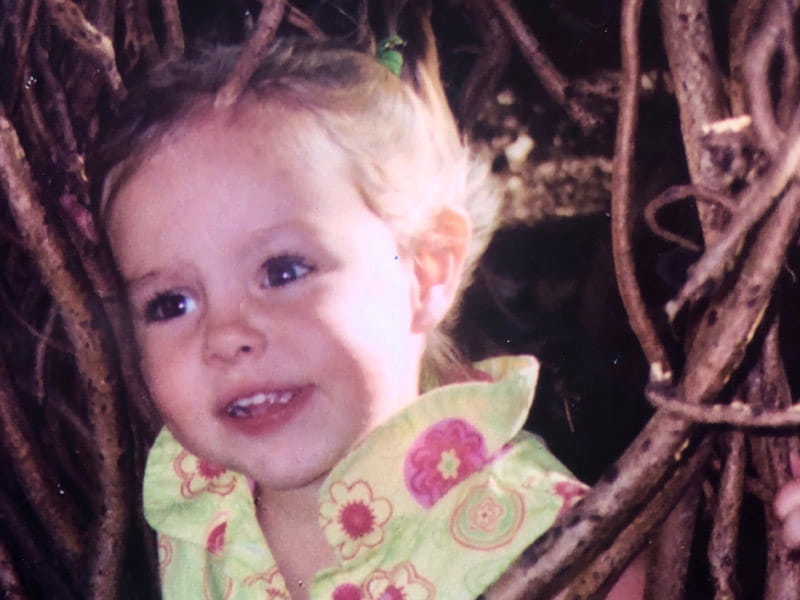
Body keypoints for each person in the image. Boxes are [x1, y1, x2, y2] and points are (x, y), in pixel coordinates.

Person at [92, 37, 643, 600]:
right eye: (170, 304)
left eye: (283, 272)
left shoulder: (550, 545)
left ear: (425, 271)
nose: (225, 336)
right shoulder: (199, 497)